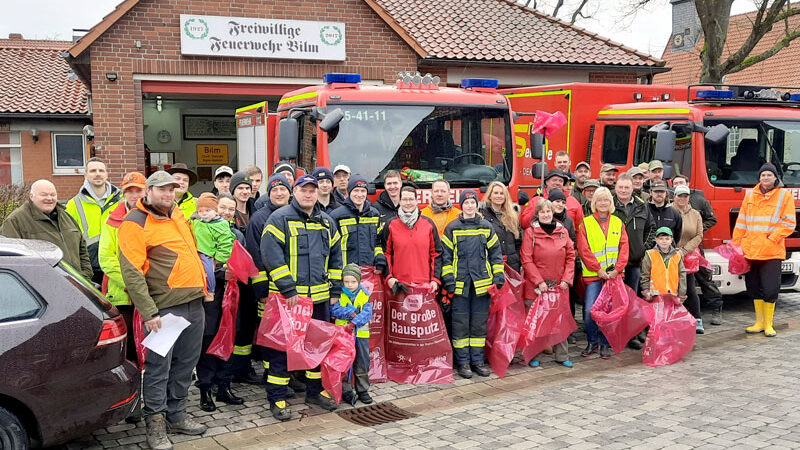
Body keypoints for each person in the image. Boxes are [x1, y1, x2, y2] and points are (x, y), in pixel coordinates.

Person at [118, 171, 208, 449]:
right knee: (158, 369)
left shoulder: (178, 213)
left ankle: (177, 415)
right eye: (162, 190)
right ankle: (155, 425)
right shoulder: (135, 222)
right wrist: (148, 311)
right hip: (164, 309)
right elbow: (132, 272)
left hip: (194, 302)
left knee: (185, 365)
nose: (168, 194)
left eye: (172, 190)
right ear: (149, 191)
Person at [260, 174, 343, 419]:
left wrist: (335, 292)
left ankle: (314, 391)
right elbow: (271, 256)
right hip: (288, 302)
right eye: (303, 190)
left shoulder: (327, 222)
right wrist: (289, 290)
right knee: (281, 350)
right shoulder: (279, 219)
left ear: (318, 193)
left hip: (319, 299)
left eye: (312, 190)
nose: (308, 194)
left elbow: (337, 258)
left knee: (316, 348)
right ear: (294, 192)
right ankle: (277, 398)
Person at [441, 190, 505, 379]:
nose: (470, 206)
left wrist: (498, 277)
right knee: (460, 325)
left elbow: (495, 254)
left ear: (477, 205)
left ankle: (477, 361)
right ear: (461, 205)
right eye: (466, 203)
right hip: (460, 286)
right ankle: (463, 363)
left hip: (482, 285)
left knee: (478, 326)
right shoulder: (452, 228)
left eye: (472, 202)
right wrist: (449, 281)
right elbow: (446, 258)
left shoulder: (486, 226)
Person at [195, 192, 244, 413]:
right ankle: (205, 389)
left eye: (231, 209)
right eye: (223, 207)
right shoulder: (198, 230)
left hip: (231, 295)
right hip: (208, 298)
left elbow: (243, 264)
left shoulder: (236, 235)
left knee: (229, 338)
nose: (226, 212)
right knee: (208, 339)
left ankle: (224, 386)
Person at [733, 163, 796, 337]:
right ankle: (759, 322)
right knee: (753, 288)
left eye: (769, 175)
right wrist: (736, 244)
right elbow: (742, 221)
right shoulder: (750, 194)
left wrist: (773, 238)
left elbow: (789, 223)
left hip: (771, 251)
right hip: (750, 250)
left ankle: (769, 324)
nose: (765, 178)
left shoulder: (784, 196)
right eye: (763, 175)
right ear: (759, 178)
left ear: (776, 178)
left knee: (770, 289)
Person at [243, 174, 293, 387]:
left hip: (292, 291)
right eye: (275, 190)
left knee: (290, 333)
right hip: (270, 290)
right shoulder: (259, 219)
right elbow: (255, 256)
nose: (279, 193)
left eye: (283, 190)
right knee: (271, 336)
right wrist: (262, 291)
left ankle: (288, 376)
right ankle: (270, 375)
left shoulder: (296, 215)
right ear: (268, 193)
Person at [520, 199, 576, 368]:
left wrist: (567, 279)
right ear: (537, 214)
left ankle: (562, 355)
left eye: (548, 211)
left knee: (560, 321)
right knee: (537, 322)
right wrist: (539, 282)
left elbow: (571, 257)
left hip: (559, 285)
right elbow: (526, 259)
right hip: (537, 287)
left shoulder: (563, 231)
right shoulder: (531, 233)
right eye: (542, 212)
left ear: (553, 213)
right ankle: (533, 354)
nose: (546, 214)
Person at [576, 187, 629, 360]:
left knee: (610, 312)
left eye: (606, 200)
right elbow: (584, 250)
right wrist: (598, 269)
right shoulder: (585, 223)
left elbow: (624, 248)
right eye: (600, 200)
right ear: (594, 203)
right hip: (594, 276)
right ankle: (592, 341)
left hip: (614, 277)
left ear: (611, 203)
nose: (603, 203)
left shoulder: (618, 223)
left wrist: (617, 270)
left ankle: (605, 343)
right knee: (591, 310)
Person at [1, 180, 93, 279]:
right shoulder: (15, 221)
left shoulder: (66, 216)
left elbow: (82, 249)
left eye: (53, 194)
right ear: (31, 196)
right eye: (43, 195)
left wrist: (85, 276)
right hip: (43, 288)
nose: (49, 198)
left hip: (76, 284)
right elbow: (11, 261)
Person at [98, 172, 147, 358]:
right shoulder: (112, 220)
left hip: (150, 292)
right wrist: (132, 284)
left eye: (138, 191)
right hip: (122, 294)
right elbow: (106, 258)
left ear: (146, 191)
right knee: (129, 347)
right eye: (130, 191)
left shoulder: (154, 216)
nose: (134, 195)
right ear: (123, 193)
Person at [671, 174, 723, 324]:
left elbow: (712, 219)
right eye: (675, 183)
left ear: (688, 184)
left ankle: (716, 307)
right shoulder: (670, 207)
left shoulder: (699, 201)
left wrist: (697, 231)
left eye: (681, 182)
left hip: (694, 250)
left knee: (704, 278)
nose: (678, 185)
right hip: (675, 251)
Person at [613, 174, 656, 349]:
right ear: (616, 188)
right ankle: (615, 334)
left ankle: (632, 335)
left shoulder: (641, 205)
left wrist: (643, 248)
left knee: (633, 302)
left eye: (627, 188)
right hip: (614, 264)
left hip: (635, 262)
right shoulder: (609, 204)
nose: (623, 191)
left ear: (633, 188)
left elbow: (651, 228)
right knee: (616, 302)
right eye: (620, 187)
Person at [65, 157, 122, 283]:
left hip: (118, 265)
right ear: (85, 175)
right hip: (90, 267)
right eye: (93, 171)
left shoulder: (122, 201)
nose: (97, 174)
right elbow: (69, 238)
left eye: (101, 171)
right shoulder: (73, 204)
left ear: (107, 174)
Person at [382, 185, 443, 297]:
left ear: (416, 201)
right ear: (400, 201)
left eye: (411, 199)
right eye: (405, 199)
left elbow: (436, 253)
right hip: (399, 286)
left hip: (425, 286)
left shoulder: (429, 224)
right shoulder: (390, 225)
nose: (408, 203)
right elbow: (386, 253)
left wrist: (435, 279)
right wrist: (389, 278)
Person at [331, 264, 374, 405]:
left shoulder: (364, 294)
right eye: (346, 282)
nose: (350, 285)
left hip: (360, 335)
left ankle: (362, 390)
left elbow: (367, 313)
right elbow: (334, 310)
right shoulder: (339, 295)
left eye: (353, 282)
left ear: (359, 281)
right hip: (342, 336)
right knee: (344, 363)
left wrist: (355, 321)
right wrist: (350, 312)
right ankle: (346, 390)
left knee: (362, 362)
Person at [330, 175, 388, 272]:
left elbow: (378, 242)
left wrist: (379, 258)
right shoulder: (336, 216)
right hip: (346, 274)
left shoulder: (374, 215)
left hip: (369, 272)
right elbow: (331, 249)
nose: (359, 194)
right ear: (349, 192)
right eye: (356, 191)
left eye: (363, 191)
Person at [672, 184, 705, 334]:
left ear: (689, 198)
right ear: (674, 196)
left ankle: (697, 318)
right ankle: (675, 319)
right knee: (670, 289)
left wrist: (684, 251)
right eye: (679, 195)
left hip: (687, 256)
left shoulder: (696, 214)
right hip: (670, 255)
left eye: (685, 196)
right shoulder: (668, 210)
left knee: (689, 289)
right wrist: (672, 250)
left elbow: (699, 235)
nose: (682, 199)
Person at [192, 193, 234, 302]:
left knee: (209, 270)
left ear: (215, 211)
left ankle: (210, 291)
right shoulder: (196, 221)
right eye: (200, 211)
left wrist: (218, 259)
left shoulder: (221, 225)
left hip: (207, 253)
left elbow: (225, 244)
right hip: (194, 252)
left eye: (207, 210)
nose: (204, 214)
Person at [480, 181, 523, 272]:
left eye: (502, 193)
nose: (499, 196)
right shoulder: (482, 216)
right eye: (496, 193)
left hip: (512, 265)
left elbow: (518, 242)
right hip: (491, 265)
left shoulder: (513, 216)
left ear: (505, 196)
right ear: (490, 196)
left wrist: (517, 259)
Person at [640, 227, 687, 302]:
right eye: (661, 238)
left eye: (667, 239)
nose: (664, 241)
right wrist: (646, 290)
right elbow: (645, 275)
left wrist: (682, 293)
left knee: (671, 313)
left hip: (672, 294)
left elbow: (682, 275)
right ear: (656, 240)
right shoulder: (650, 254)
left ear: (671, 240)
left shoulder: (677, 255)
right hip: (655, 295)